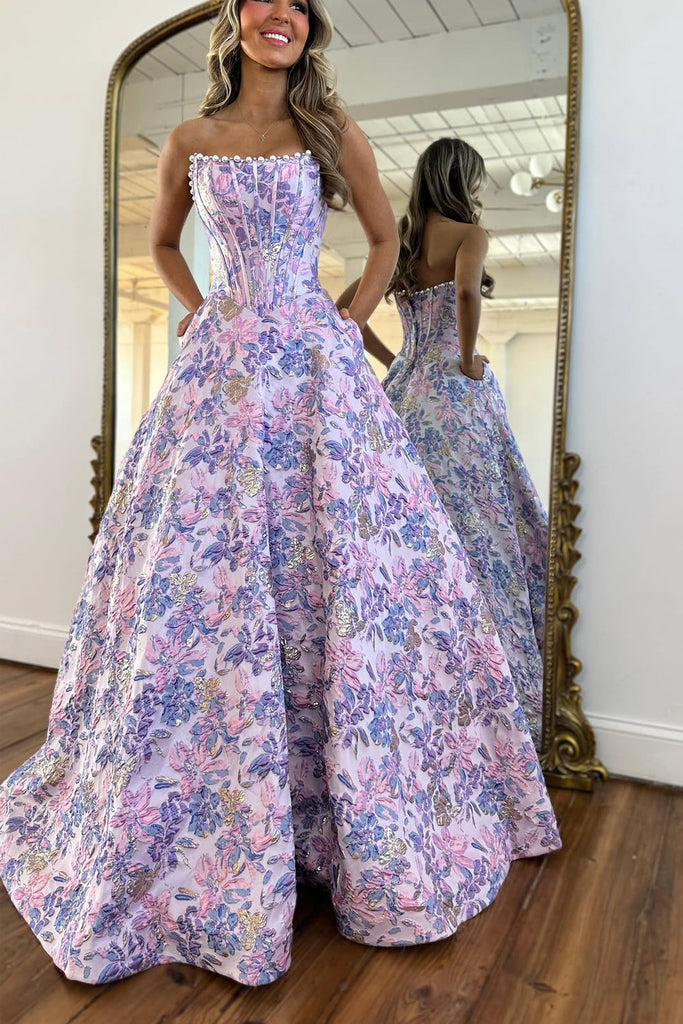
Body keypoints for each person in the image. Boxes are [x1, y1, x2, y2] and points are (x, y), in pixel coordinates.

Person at [0, 3, 559, 988]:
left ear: (307, 28)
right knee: (198, 578)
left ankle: (344, 818)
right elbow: (163, 245)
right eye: (266, 0)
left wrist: (340, 321)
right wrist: (202, 307)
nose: (282, 16)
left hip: (310, 363)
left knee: (337, 571)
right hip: (221, 367)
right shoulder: (189, 138)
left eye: (298, 5)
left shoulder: (330, 132)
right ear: (236, 17)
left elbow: (381, 243)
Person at [338, 137, 548, 745]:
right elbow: (464, 292)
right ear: (464, 181)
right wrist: (466, 357)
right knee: (482, 532)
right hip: (453, 396)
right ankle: (490, 687)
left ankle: (416, 679)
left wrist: (393, 360)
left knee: (414, 539)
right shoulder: (470, 234)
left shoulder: (400, 243)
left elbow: (343, 311)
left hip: (406, 395)